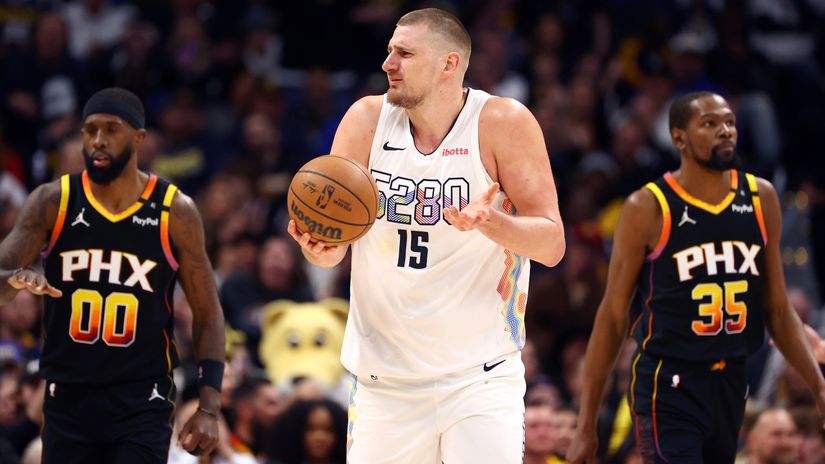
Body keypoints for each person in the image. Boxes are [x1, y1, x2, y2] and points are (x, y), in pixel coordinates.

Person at [287, 8, 564, 463]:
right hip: (383, 381)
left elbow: (552, 244)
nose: (387, 64)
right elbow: (332, 255)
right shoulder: (365, 120)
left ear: (448, 64)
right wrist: (317, 246)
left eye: (404, 53)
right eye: (389, 51)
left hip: (480, 376)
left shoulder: (502, 122)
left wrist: (493, 222)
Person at [566, 91, 825, 464]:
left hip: (731, 382)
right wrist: (586, 422)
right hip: (668, 383)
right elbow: (611, 316)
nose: (725, 131)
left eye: (730, 123)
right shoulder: (649, 206)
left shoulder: (761, 198)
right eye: (710, 123)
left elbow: (779, 311)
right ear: (679, 139)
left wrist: (818, 386)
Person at [0, 88, 226, 463]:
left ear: (139, 138)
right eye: (89, 130)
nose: (98, 141)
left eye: (111, 129)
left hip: (142, 400)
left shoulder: (175, 210)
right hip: (67, 397)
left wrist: (208, 406)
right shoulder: (53, 201)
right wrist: (16, 279)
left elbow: (208, 312)